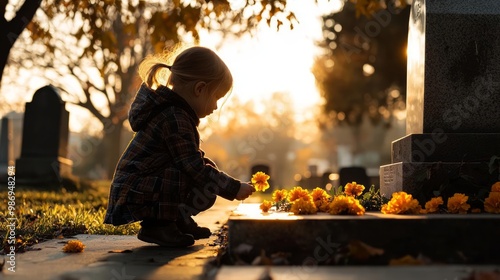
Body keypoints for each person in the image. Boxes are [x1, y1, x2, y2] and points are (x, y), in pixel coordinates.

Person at [104, 45, 255, 247]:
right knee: (193, 173)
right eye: (216, 98)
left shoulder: (177, 114)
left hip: (140, 187)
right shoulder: (174, 118)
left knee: (204, 174)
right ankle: (158, 227)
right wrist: (233, 188)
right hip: (134, 191)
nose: (216, 107)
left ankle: (176, 220)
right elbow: (193, 167)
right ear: (199, 89)